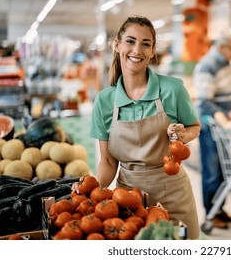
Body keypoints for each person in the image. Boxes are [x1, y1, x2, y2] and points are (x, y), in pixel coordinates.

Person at [85, 16, 201, 239]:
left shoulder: (172, 89)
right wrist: (90, 192)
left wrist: (184, 135)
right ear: (117, 45)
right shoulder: (104, 101)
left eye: (145, 44)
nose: (137, 50)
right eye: (130, 41)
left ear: (152, 51)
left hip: (173, 191)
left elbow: (194, 126)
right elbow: (108, 162)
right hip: (127, 199)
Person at [193, 28, 231, 230]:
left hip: (227, 126)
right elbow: (204, 102)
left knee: (224, 170)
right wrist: (226, 114)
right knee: (211, 170)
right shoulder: (206, 67)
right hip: (211, 126)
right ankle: (211, 212)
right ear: (221, 47)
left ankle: (220, 208)